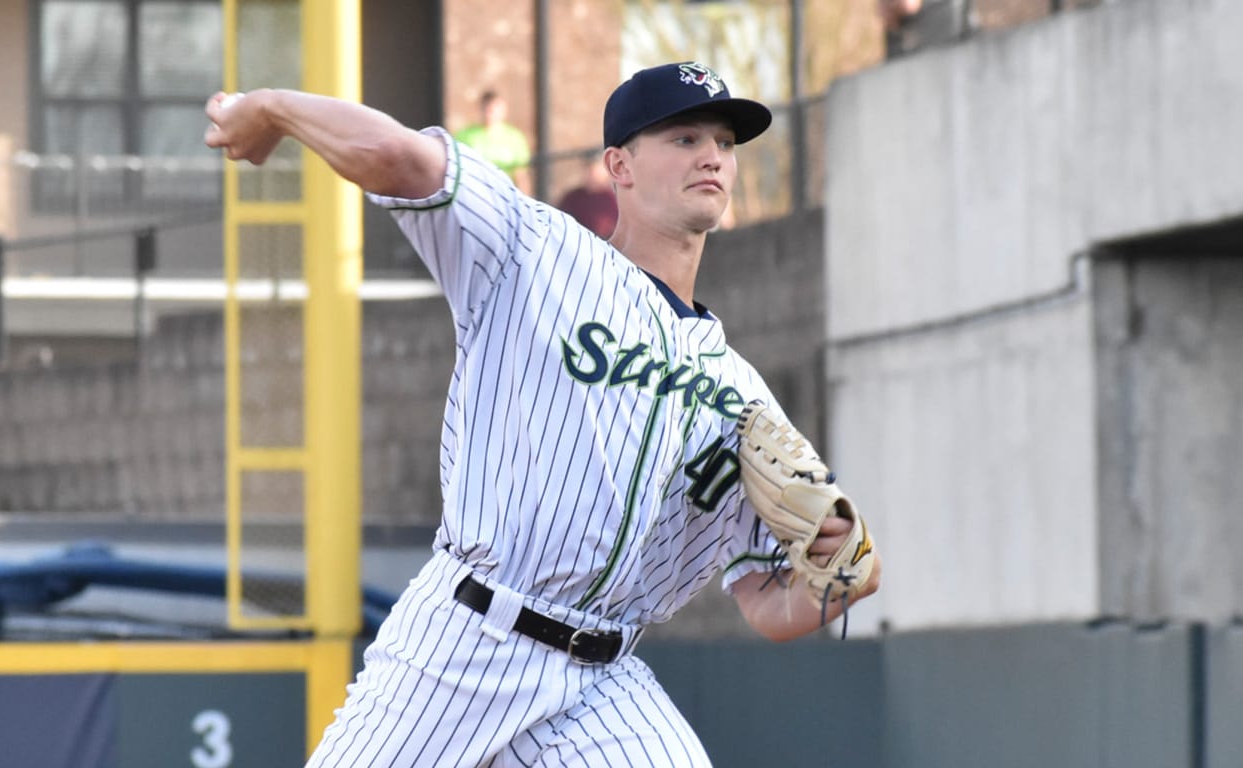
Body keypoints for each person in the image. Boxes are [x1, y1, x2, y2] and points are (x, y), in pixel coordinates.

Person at [205, 60, 881, 767]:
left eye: (724, 141)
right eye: (683, 138)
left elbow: (766, 605)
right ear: (618, 164)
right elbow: (398, 157)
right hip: (464, 643)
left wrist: (840, 577)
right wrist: (275, 106)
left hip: (600, 679)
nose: (712, 154)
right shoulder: (533, 249)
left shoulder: (742, 398)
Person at [453, 89, 532, 186]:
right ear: (480, 109)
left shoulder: (514, 137)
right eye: (487, 108)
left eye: (494, 108)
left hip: (505, 192)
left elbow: (521, 175)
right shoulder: (465, 135)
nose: (490, 112)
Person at [555, 152, 617, 239]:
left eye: (595, 168)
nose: (591, 172)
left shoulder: (613, 199)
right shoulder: (572, 198)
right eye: (588, 168)